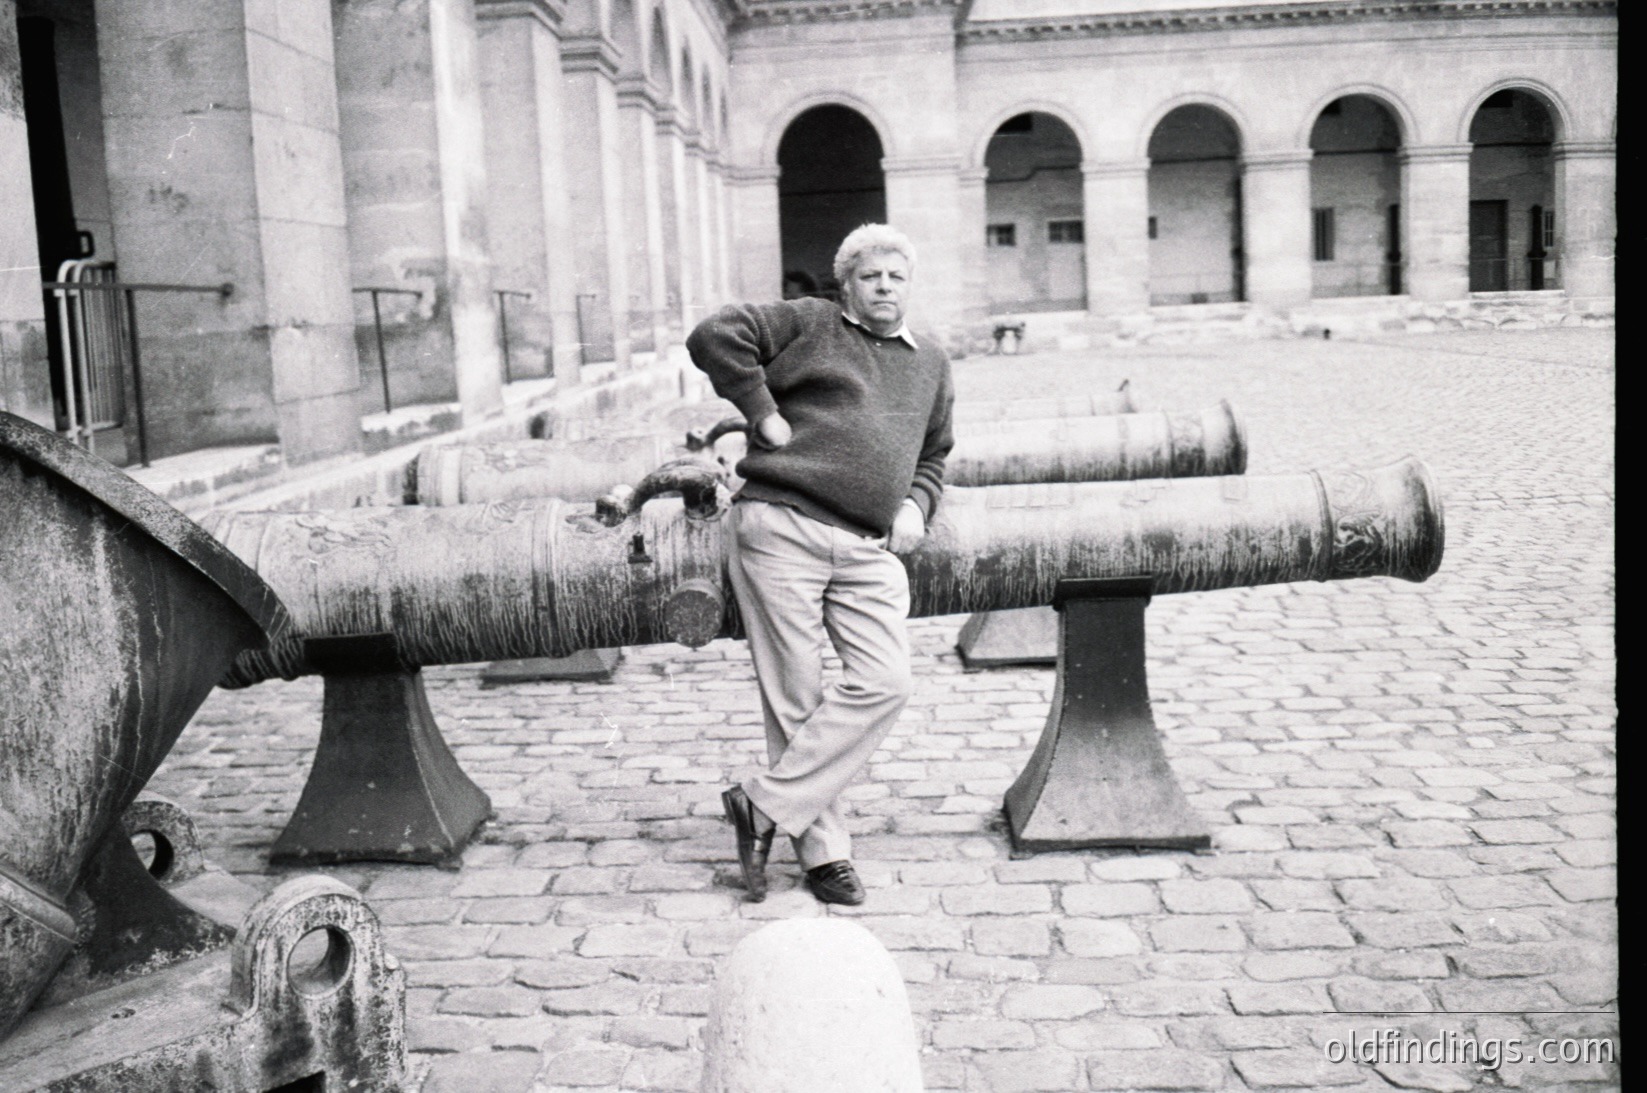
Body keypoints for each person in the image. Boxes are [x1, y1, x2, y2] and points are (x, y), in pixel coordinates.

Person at [685, 224, 954, 906]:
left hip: (867, 545)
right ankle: (824, 854)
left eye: (895, 275)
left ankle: (761, 802)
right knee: (796, 695)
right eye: (871, 276)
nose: (885, 286)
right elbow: (715, 335)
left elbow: (933, 454)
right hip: (782, 525)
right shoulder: (809, 323)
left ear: (909, 284)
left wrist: (916, 505)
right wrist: (760, 412)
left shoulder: (931, 362)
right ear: (848, 285)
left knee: (886, 680)